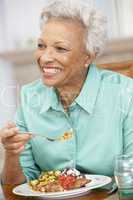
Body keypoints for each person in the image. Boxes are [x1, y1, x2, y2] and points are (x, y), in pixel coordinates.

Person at [0, 0, 133, 194]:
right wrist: (12, 153)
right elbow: (16, 188)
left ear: (88, 56)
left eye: (60, 48)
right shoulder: (30, 96)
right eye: (41, 45)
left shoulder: (125, 93)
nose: (45, 57)